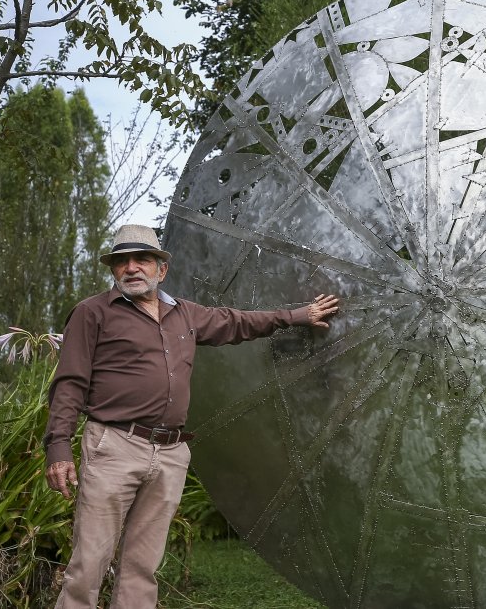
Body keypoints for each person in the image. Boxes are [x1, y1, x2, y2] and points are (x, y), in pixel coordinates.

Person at [44, 224, 339, 608]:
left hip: (170, 453)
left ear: (161, 269)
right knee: (89, 563)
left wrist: (298, 315)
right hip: (114, 446)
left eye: (142, 259)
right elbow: (69, 383)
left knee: (142, 566)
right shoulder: (92, 313)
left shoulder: (185, 314)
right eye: (122, 261)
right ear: (113, 269)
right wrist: (59, 448)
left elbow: (238, 322)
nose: (131, 268)